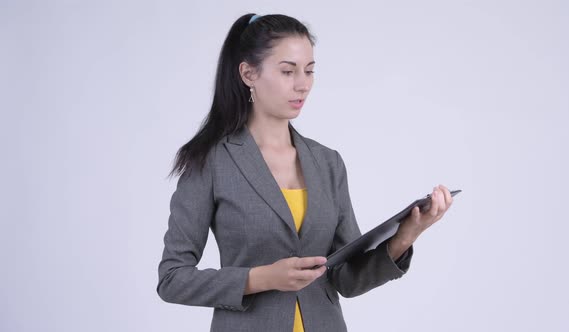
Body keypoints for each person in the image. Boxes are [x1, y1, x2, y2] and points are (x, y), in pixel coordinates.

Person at [156, 13, 454, 332]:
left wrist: (408, 233)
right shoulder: (211, 161)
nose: (303, 84)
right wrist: (262, 278)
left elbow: (347, 279)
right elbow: (173, 278)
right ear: (248, 73)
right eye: (288, 71)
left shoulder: (327, 162)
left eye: (309, 71)